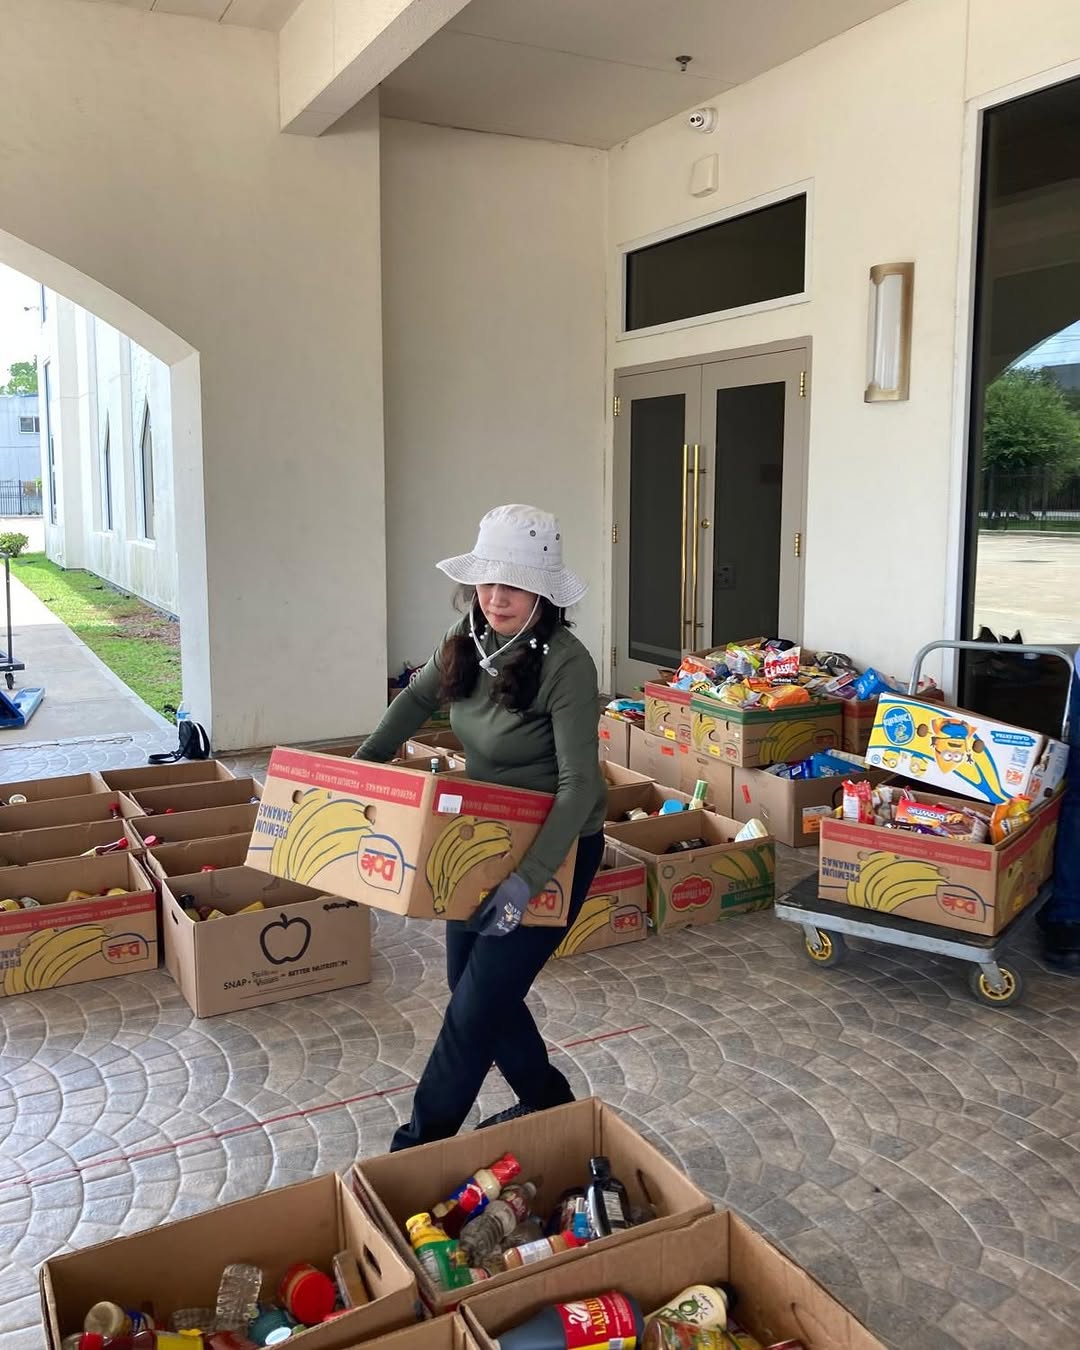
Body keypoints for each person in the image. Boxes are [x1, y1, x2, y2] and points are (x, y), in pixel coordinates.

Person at [353, 504, 607, 1150]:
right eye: (487, 582)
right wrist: (360, 770)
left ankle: (417, 1148)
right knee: (470, 986)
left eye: (514, 585)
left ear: (544, 592)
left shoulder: (568, 665)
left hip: (556, 847)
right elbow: (416, 699)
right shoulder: (469, 637)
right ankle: (550, 1105)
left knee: (474, 1009)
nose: (496, 597)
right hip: (485, 834)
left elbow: (579, 786)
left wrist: (527, 881)